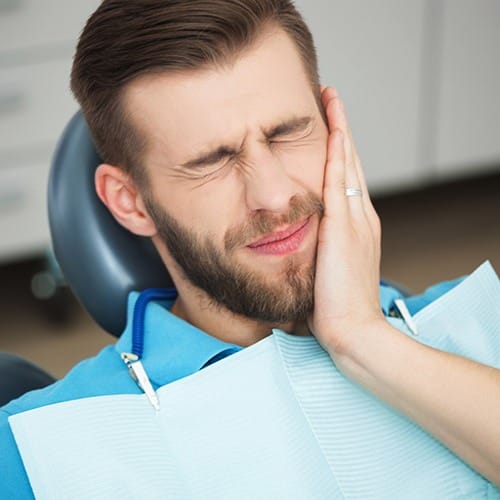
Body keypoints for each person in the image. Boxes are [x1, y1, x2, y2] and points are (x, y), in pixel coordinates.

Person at [1, 0, 499, 496]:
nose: (275, 194)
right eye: (211, 161)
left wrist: (365, 339)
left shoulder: (475, 324)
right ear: (132, 202)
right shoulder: (38, 448)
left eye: (287, 133)